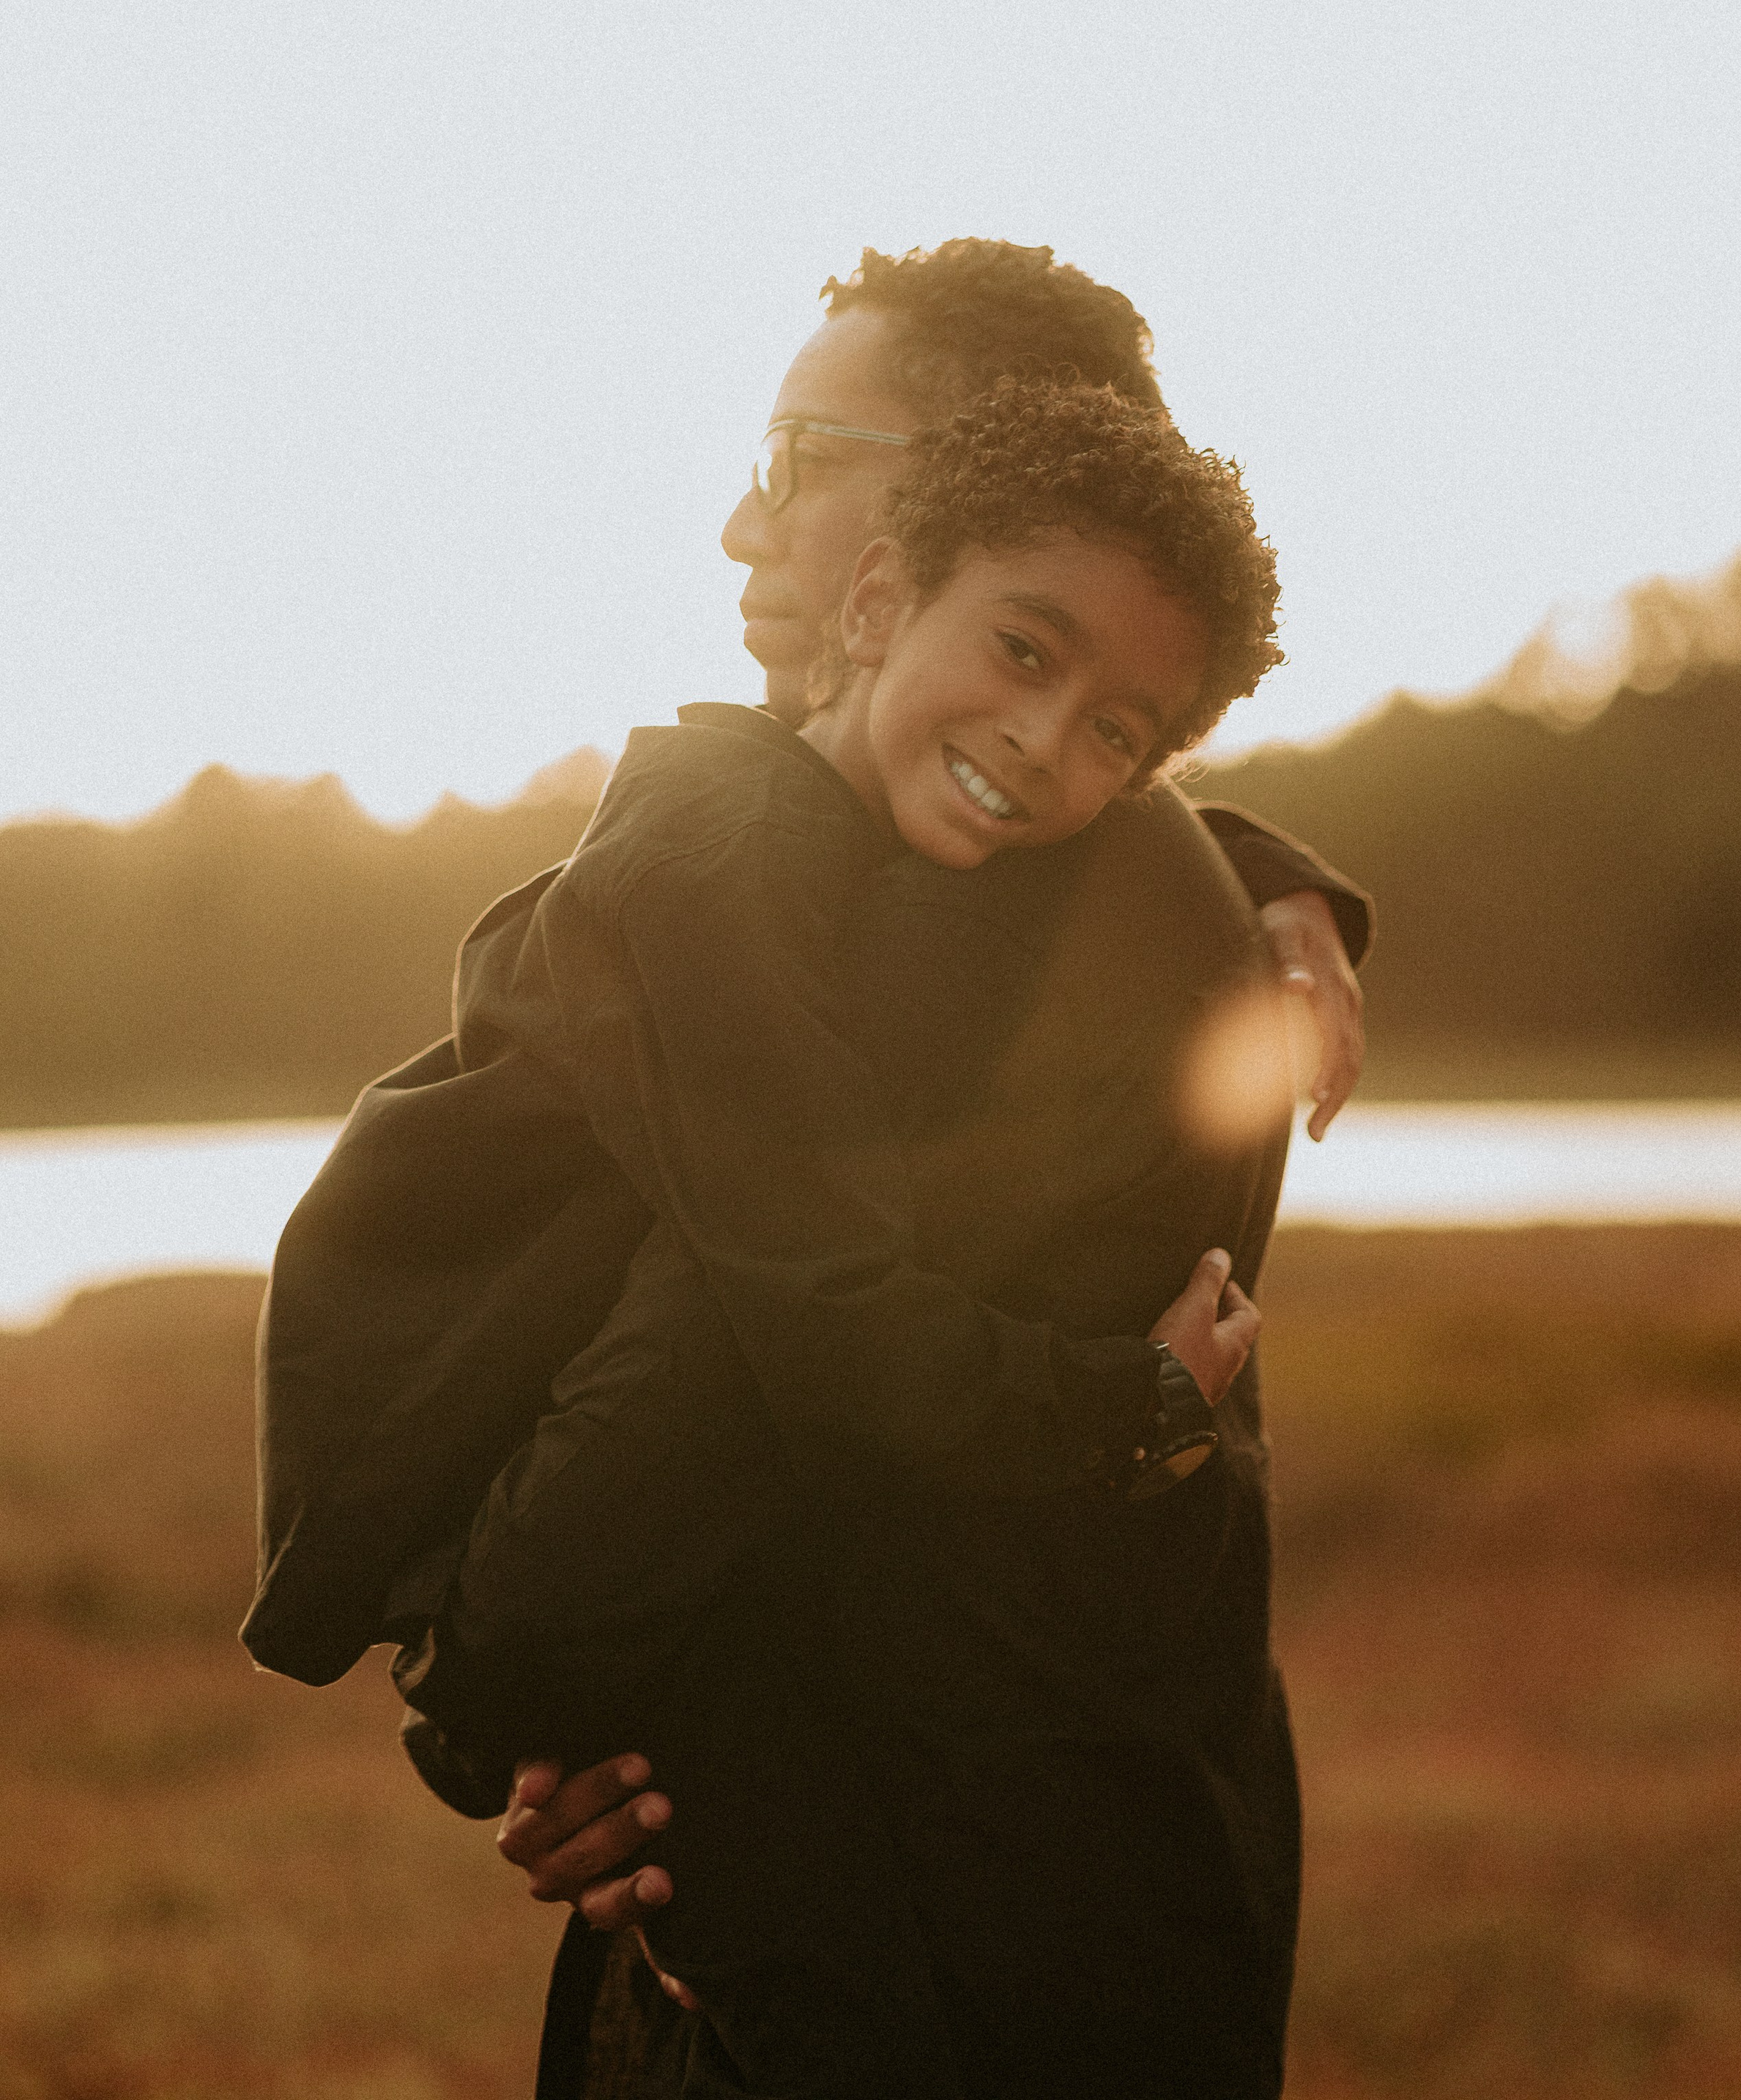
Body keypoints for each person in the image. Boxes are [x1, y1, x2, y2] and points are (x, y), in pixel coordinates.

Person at [361, 375, 1285, 2096]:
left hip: (959, 1885)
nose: (1044, 740)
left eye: (1117, 732)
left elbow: (750, 1353)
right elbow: (793, 1317)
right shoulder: (741, 872)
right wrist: (500, 1686)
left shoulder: (958, 916)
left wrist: (511, 1669)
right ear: (892, 599)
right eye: (1024, 656)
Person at [491, 242, 1370, 1964]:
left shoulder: (970, 919)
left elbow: (700, 1383)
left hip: (924, 1927)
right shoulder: (950, 860)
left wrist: (508, 1694)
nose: (746, 526)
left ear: (995, 488)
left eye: (808, 459)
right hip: (1033, 1875)